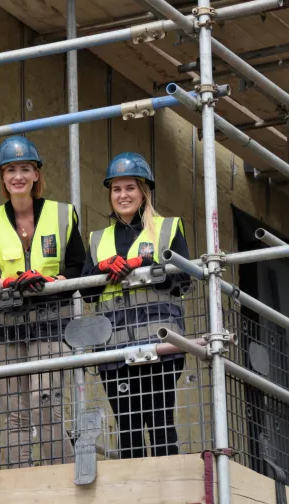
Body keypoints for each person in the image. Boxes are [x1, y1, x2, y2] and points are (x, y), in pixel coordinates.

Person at [0, 135, 85, 468]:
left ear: (36, 174)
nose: (18, 176)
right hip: (5, 327)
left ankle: (62, 474)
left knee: (44, 403)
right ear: (2, 177)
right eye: (10, 170)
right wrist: (6, 283)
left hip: (50, 322)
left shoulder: (62, 214)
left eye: (25, 169)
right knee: (13, 414)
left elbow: (78, 265)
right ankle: (19, 479)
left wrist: (51, 282)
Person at [81, 152, 190, 458]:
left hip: (159, 345)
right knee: (127, 430)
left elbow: (183, 279)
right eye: (116, 189)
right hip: (114, 350)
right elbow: (87, 292)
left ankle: (167, 483)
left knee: (160, 424)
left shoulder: (168, 228)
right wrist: (102, 269)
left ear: (144, 191)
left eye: (130, 188)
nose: (123, 195)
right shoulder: (98, 239)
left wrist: (145, 265)